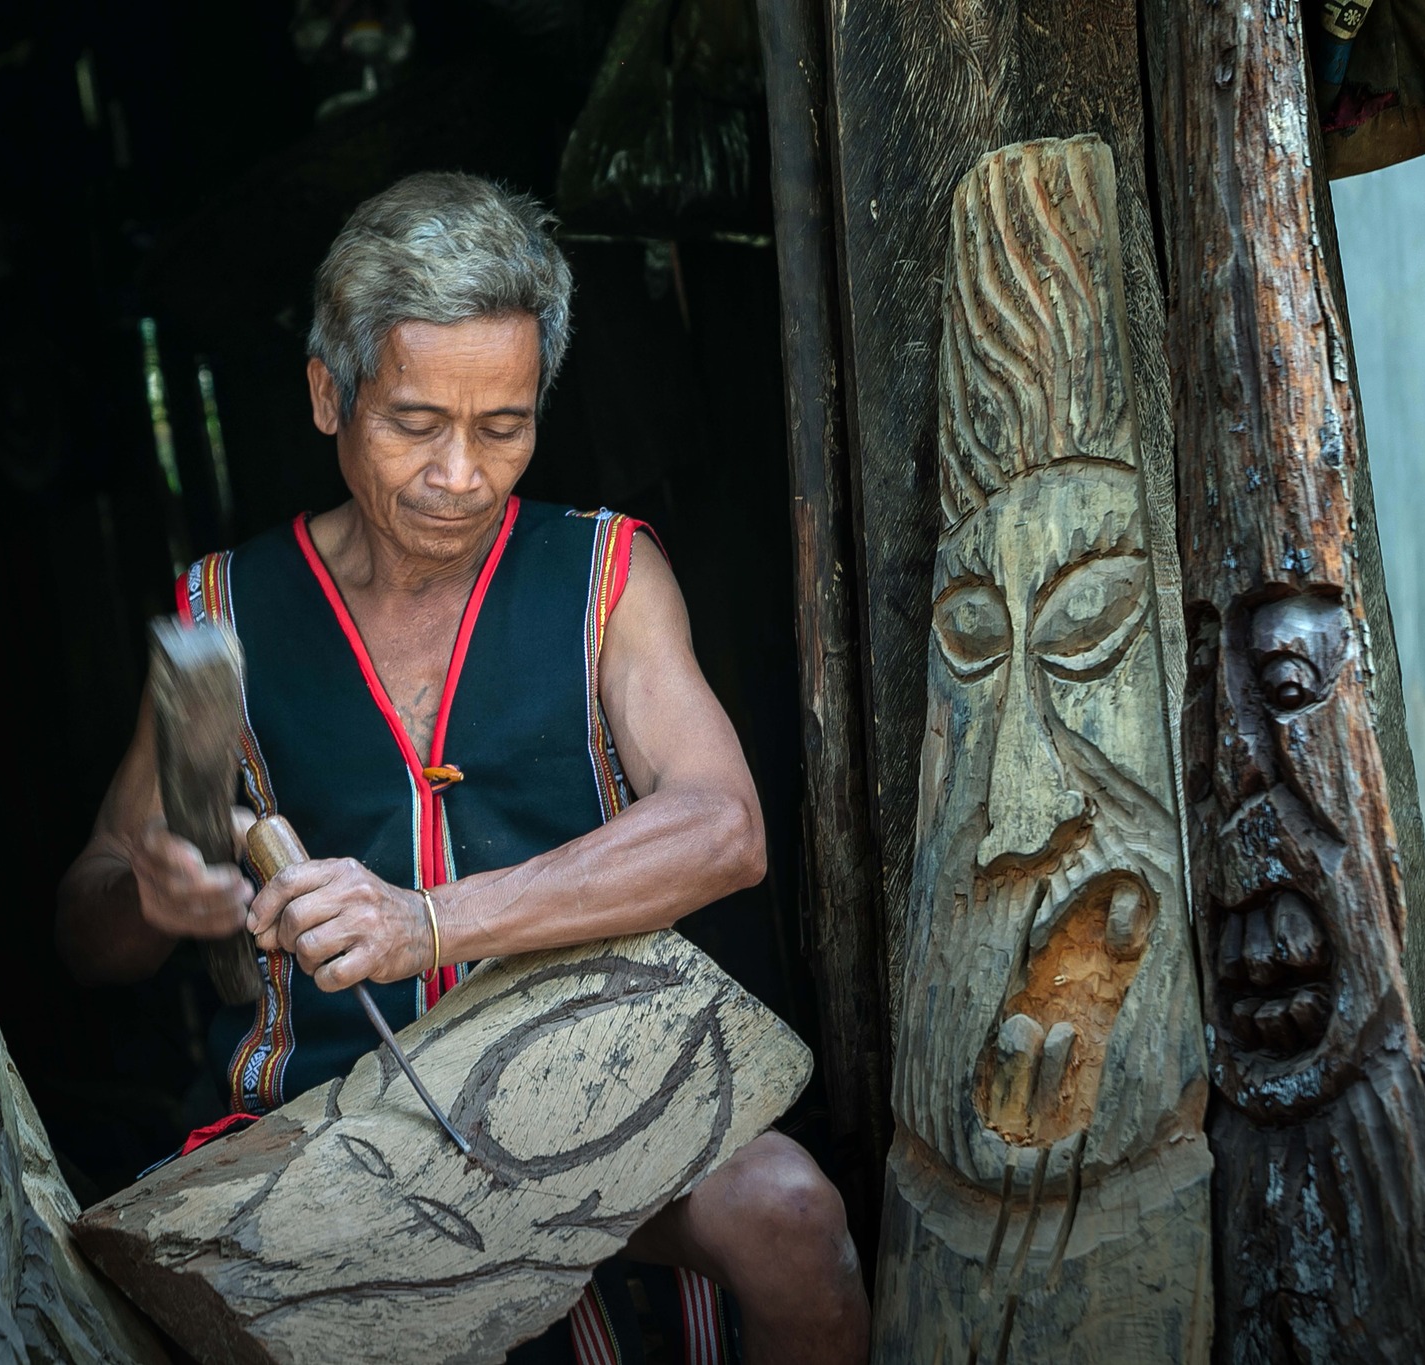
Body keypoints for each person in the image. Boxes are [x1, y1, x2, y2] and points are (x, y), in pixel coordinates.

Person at [56, 171, 869, 1364]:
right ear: (329, 396)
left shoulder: (603, 575)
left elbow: (720, 827)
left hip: (588, 1084)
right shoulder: (223, 611)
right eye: (415, 424)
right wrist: (154, 897)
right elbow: (86, 930)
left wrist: (426, 921)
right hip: (324, 1117)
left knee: (787, 1214)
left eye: (503, 427)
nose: (461, 476)